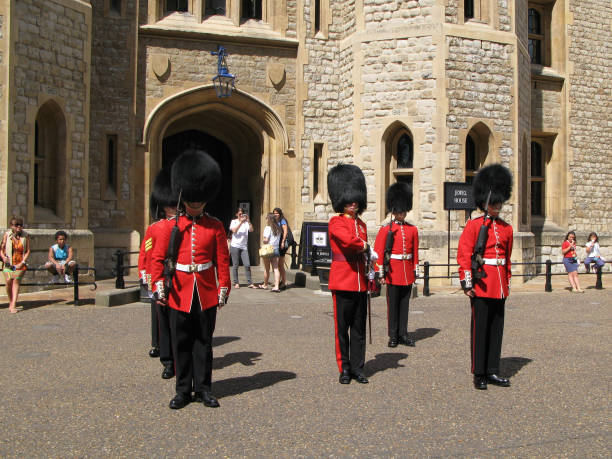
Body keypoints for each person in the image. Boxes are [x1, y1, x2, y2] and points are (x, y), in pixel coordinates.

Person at [151, 149, 230, 410]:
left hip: (205, 290)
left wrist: (224, 286)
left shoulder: (215, 226)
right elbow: (158, 259)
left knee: (204, 343)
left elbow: (221, 260)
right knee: (181, 342)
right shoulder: (171, 227)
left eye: (200, 199)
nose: (195, 204)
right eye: (192, 199)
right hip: (179, 290)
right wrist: (158, 285)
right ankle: (183, 390)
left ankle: (204, 389)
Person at [457, 164, 513, 390]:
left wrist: (506, 282)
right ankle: (479, 372)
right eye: (493, 202)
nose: (497, 206)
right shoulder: (474, 225)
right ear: (484, 203)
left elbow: (506, 258)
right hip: (482, 283)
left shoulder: (506, 228)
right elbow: (464, 255)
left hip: (498, 283)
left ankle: (492, 370)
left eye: (499, 202)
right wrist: (467, 282)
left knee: (496, 328)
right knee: (480, 329)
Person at [327, 163, 377, 385]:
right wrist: (366, 246)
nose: (353, 203)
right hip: (343, 280)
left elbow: (365, 253)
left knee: (358, 329)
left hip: (360, 282)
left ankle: (358, 368)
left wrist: (372, 273)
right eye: (349, 199)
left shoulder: (362, 225)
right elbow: (348, 242)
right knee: (342, 330)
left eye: (356, 199)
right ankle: (344, 368)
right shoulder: (336, 222)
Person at [137, 168, 176, 379]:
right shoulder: (156, 228)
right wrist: (146, 273)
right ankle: (165, 354)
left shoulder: (186, 226)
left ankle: (173, 358)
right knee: (161, 317)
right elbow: (148, 251)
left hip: (180, 278)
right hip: (160, 276)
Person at [374, 182, 419, 348]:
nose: (402, 213)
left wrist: (415, 270)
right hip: (393, 272)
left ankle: (403, 334)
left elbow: (415, 253)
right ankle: (393, 335)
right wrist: (381, 274)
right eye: (400, 210)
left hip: (406, 271)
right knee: (392, 306)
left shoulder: (412, 230)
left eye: (404, 210)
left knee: (404, 305)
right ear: (394, 211)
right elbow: (378, 254)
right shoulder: (386, 230)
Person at [1, 216, 31, 314]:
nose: (19, 227)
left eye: (20, 225)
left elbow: (28, 251)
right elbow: (2, 249)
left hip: (20, 263)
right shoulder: (7, 235)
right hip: (9, 263)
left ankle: (13, 304)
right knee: (9, 281)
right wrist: (3, 257)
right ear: (11, 226)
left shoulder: (25, 235)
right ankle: (11, 301)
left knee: (16, 281)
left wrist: (22, 262)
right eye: (16, 225)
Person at [229, 207, 255, 289]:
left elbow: (251, 230)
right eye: (239, 214)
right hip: (235, 245)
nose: (241, 215)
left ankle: (249, 282)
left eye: (242, 214)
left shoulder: (246, 223)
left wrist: (249, 221)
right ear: (236, 214)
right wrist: (240, 222)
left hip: (244, 247)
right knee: (235, 265)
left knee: (247, 264)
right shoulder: (234, 221)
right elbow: (234, 230)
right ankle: (236, 282)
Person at [260, 213, 281, 292]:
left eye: (266, 218)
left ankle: (265, 284)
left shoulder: (267, 228)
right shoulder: (278, 228)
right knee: (276, 268)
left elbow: (266, 240)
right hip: (276, 249)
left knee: (267, 268)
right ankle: (276, 286)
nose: (266, 220)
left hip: (268, 249)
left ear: (269, 219)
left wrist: (263, 241)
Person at [273, 207, 290, 290]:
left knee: (280, 264)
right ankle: (282, 281)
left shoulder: (282, 220)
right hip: (278, 244)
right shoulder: (275, 221)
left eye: (277, 213)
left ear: (280, 214)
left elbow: (285, 231)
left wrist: (283, 241)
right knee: (280, 264)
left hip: (282, 244)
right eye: (274, 213)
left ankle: (283, 282)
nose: (275, 214)